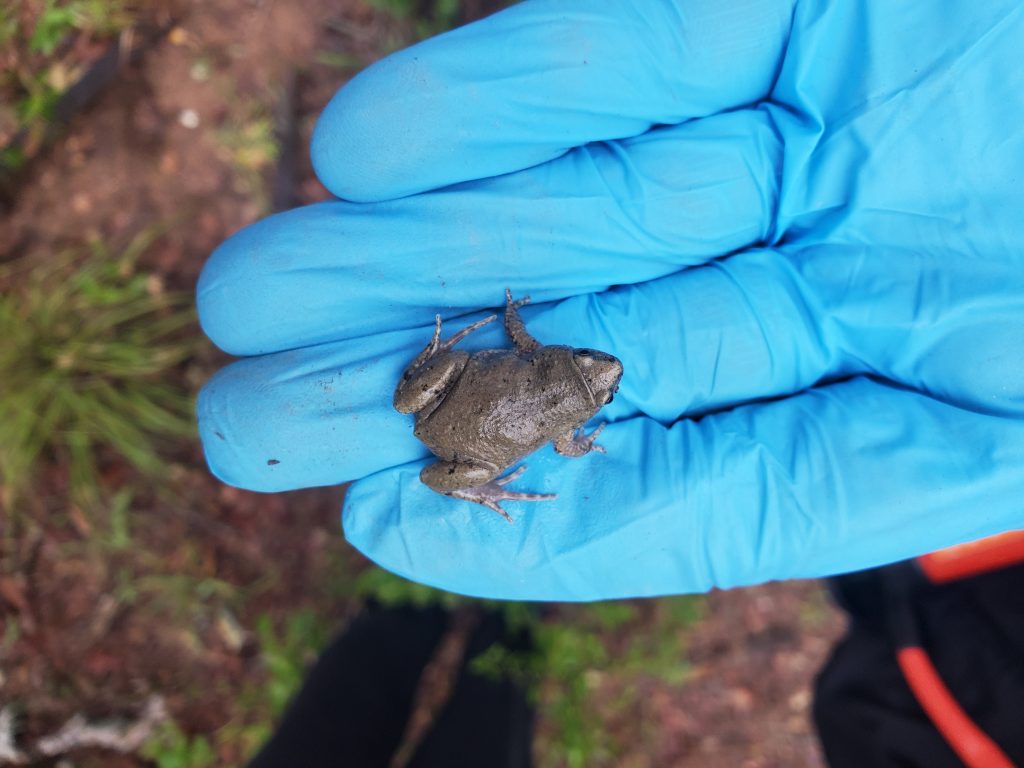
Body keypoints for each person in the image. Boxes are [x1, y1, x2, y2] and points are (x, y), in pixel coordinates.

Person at [194, 0, 1024, 763]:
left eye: (596, 379)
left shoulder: (549, 363)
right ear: (570, 366)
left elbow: (529, 351)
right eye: (595, 372)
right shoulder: (558, 377)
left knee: (454, 443)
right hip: (458, 417)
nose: (601, 370)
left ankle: (451, 567)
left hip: (457, 416)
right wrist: (543, 407)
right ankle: (469, 590)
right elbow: (537, 367)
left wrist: (512, 390)